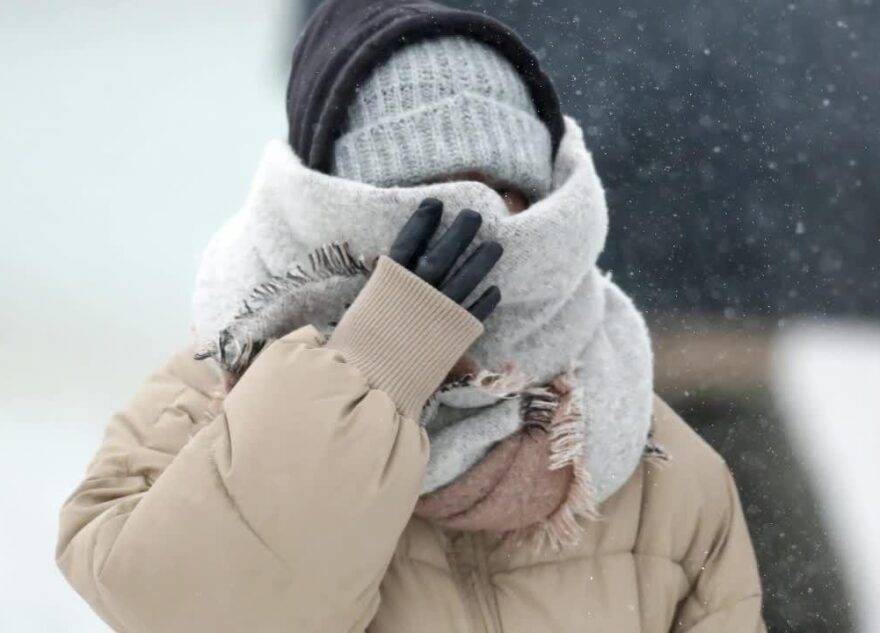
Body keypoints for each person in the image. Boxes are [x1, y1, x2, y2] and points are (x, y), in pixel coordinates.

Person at [56, 0, 766, 630]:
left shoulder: (646, 458)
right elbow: (200, 611)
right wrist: (375, 369)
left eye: (503, 193)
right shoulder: (202, 402)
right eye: (422, 198)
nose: (479, 222)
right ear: (334, 204)